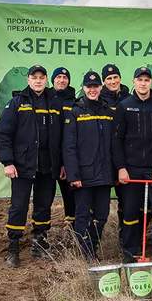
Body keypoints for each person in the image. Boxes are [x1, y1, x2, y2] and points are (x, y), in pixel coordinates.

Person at [0, 65, 63, 267]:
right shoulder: (17, 102)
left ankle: (40, 242)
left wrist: (60, 164)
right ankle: (13, 247)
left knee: (43, 205)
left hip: (47, 166)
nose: (38, 81)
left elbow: (62, 136)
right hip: (22, 166)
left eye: (42, 77)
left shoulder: (55, 102)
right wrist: (8, 162)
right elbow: (3, 134)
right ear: (28, 80)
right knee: (19, 206)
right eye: (34, 77)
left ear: (46, 80)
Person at [113, 66, 152, 262]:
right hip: (131, 169)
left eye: (146, 80)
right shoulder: (124, 106)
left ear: (150, 82)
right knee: (130, 210)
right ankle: (130, 251)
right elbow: (116, 140)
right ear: (134, 82)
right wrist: (121, 168)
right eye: (139, 80)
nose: (143, 83)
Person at [62, 71, 115, 260]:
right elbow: (69, 147)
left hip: (105, 174)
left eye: (96, 86)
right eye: (89, 87)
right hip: (83, 175)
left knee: (102, 215)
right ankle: (86, 255)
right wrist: (73, 176)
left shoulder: (109, 111)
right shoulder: (75, 111)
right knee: (82, 216)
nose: (92, 90)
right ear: (84, 88)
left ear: (101, 88)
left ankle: (92, 247)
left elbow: (115, 144)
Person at [100, 63, 131, 245]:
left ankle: (124, 238)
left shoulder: (128, 99)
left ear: (120, 78)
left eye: (115, 77)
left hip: (124, 159)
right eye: (109, 78)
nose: (113, 81)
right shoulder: (98, 99)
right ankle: (97, 241)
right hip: (103, 159)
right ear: (104, 81)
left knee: (126, 201)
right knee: (99, 204)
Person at [49, 67, 76, 227]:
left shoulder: (74, 101)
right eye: (58, 77)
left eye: (65, 77)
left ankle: (71, 224)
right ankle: (41, 231)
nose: (61, 80)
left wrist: (66, 162)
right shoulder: (46, 98)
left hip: (67, 155)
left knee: (70, 193)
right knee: (45, 195)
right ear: (53, 80)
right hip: (48, 156)